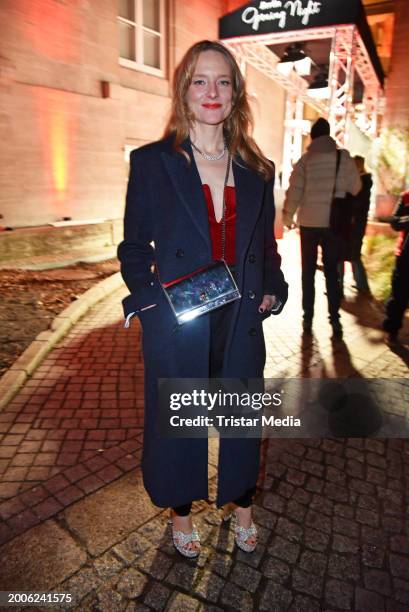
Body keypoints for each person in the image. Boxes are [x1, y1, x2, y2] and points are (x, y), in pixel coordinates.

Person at [117, 40, 288, 558]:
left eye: (223, 82)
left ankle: (243, 507)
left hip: (240, 320)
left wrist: (274, 288)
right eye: (200, 80)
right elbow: (132, 248)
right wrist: (149, 304)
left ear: (236, 94)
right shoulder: (152, 163)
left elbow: (265, 247)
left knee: (240, 420)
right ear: (183, 91)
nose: (212, 92)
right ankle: (181, 510)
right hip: (180, 320)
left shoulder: (258, 168)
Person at [283, 118, 361, 337]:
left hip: (308, 223)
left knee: (307, 272)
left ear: (313, 137)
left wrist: (288, 216)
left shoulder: (306, 160)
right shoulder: (343, 157)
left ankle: (307, 318)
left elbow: (295, 190)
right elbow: (355, 187)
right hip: (332, 224)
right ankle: (334, 320)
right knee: (331, 272)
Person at [338, 155, 372, 295]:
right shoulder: (362, 182)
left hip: (352, 225)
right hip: (354, 225)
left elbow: (354, 204)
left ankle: (338, 286)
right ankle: (361, 284)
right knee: (352, 255)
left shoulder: (360, 183)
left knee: (344, 255)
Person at [382, 189, 409, 342]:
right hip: (404, 255)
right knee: (399, 296)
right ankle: (392, 331)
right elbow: (394, 221)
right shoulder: (406, 196)